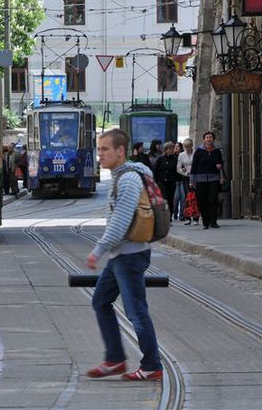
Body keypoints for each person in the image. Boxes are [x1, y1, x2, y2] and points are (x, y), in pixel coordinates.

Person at [86, 128, 163, 381]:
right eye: (99, 149)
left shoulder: (129, 179)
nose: (100, 154)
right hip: (121, 255)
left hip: (130, 255)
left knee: (136, 312)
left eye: (105, 149)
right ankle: (115, 359)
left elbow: (119, 222)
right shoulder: (120, 176)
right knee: (100, 301)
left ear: (121, 151)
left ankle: (152, 365)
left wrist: (97, 251)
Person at [190, 131, 224, 229]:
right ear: (204, 139)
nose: (209, 139)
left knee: (213, 200)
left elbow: (220, 162)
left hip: (214, 178)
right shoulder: (199, 151)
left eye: (211, 137)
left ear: (213, 139)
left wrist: (219, 165)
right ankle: (206, 221)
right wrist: (192, 180)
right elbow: (194, 166)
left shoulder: (217, 151)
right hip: (200, 179)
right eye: (207, 137)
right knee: (202, 200)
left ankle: (214, 221)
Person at [153, 142, 178, 220]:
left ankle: (169, 217)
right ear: (166, 150)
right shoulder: (160, 159)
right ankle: (163, 216)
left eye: (172, 149)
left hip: (171, 182)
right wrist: (156, 182)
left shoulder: (175, 159)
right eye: (170, 149)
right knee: (165, 198)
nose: (171, 150)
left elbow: (177, 170)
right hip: (162, 182)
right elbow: (156, 171)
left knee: (170, 199)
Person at [177, 138, 199, 225]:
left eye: (189, 146)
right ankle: (187, 217)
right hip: (186, 177)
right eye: (186, 147)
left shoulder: (196, 153)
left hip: (196, 176)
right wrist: (185, 172)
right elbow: (178, 168)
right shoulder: (181, 155)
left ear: (192, 145)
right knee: (188, 197)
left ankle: (196, 217)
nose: (188, 148)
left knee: (196, 197)